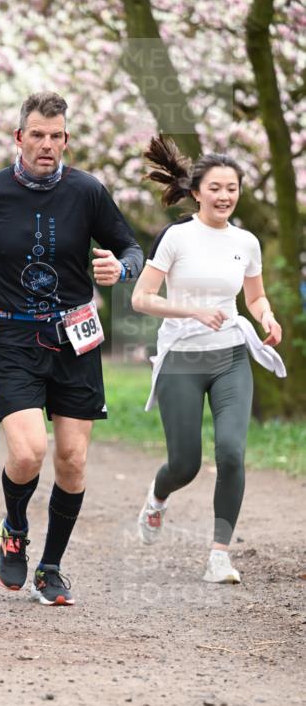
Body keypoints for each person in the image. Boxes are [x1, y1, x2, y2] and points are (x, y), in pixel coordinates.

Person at [0, 92, 143, 606]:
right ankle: (15, 528)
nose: (46, 145)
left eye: (56, 136)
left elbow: (132, 248)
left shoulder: (88, 191)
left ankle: (50, 567)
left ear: (66, 139)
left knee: (72, 461)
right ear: (18, 138)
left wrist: (123, 269)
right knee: (29, 452)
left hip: (74, 338)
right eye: (37, 135)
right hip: (11, 338)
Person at [132, 135, 285, 584]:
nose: (225, 196)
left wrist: (267, 318)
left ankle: (219, 555)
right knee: (185, 464)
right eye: (216, 188)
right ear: (197, 192)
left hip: (231, 357)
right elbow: (142, 299)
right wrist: (192, 310)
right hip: (182, 357)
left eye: (232, 188)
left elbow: (254, 297)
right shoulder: (176, 238)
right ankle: (157, 498)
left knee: (233, 453)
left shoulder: (247, 242)